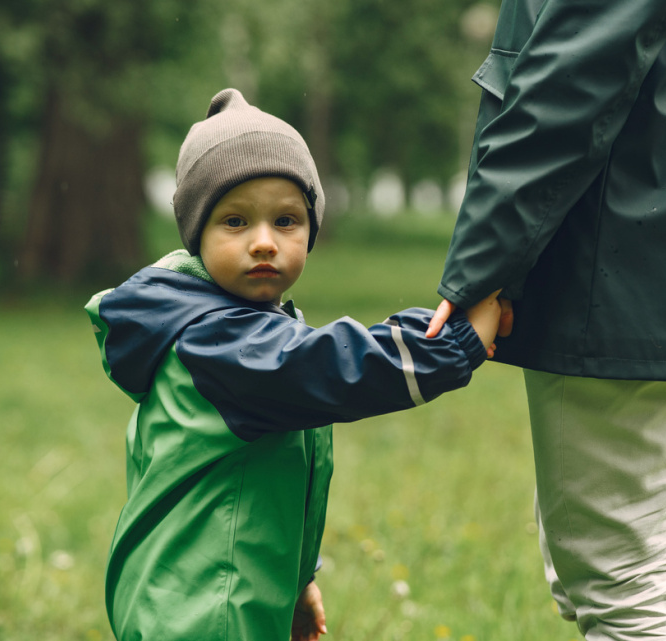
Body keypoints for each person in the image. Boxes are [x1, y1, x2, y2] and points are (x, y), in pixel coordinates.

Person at [86, 88, 501, 641]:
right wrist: (454, 341)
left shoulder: (239, 330)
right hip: (203, 609)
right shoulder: (217, 341)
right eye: (235, 221)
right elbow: (342, 367)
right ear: (196, 233)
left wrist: (294, 581)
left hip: (197, 593)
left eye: (285, 220)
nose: (264, 242)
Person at [426, 0, 666, 638]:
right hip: (655, 227)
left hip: (620, 237)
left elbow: (577, 66)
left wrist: (483, 264)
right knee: (600, 569)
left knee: (625, 587)